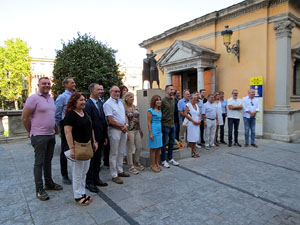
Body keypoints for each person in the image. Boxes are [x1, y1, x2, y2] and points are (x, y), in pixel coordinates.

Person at [22, 77, 63, 201]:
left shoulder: (51, 99)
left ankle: (49, 183)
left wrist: (55, 128)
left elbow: (52, 116)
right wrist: (31, 131)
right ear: (38, 84)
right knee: (39, 163)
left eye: (48, 83)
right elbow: (24, 117)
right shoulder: (33, 98)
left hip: (50, 134)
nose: (47, 85)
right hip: (39, 136)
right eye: (44, 83)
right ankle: (39, 189)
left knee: (48, 161)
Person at [64, 92, 97, 206]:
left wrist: (94, 141)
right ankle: (77, 196)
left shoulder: (85, 113)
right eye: (80, 100)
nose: (83, 102)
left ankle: (82, 192)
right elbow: (67, 132)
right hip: (77, 148)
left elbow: (91, 128)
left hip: (87, 147)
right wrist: (72, 149)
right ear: (74, 102)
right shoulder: (70, 115)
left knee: (84, 172)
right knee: (77, 174)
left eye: (84, 100)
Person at [103, 86, 130, 184]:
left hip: (123, 129)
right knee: (114, 153)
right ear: (110, 92)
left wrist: (126, 125)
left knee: (121, 151)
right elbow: (110, 120)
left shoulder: (120, 102)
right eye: (115, 91)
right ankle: (114, 175)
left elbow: (125, 116)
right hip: (114, 130)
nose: (117, 93)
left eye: (118, 91)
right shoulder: (107, 104)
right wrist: (121, 126)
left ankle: (120, 170)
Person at [85, 83, 108, 193]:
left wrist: (104, 137)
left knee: (98, 159)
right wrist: (93, 140)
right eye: (98, 89)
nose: (101, 91)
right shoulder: (87, 105)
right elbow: (89, 124)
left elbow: (103, 121)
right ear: (91, 91)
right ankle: (89, 182)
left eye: (101, 89)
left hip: (100, 136)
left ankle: (96, 179)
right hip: (92, 138)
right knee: (92, 161)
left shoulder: (100, 103)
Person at [55, 76, 76, 185]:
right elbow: (57, 114)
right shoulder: (62, 97)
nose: (74, 84)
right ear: (66, 84)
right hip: (66, 127)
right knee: (65, 150)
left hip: (76, 126)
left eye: (74, 82)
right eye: (72, 82)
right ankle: (64, 175)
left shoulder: (75, 96)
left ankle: (77, 173)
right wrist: (61, 127)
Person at [123, 92, 145, 174]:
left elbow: (137, 119)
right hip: (129, 130)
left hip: (136, 130)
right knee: (130, 148)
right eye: (131, 97)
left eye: (133, 97)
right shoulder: (124, 108)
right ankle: (130, 165)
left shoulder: (134, 106)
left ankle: (136, 162)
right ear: (126, 98)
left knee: (139, 147)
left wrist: (140, 129)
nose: (132, 99)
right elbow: (124, 120)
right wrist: (126, 132)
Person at [161, 85, 180, 168]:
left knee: (172, 142)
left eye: (173, 89)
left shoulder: (173, 100)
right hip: (165, 125)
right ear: (166, 90)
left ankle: (170, 158)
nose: (173, 91)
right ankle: (163, 160)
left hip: (172, 124)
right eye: (171, 89)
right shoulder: (162, 100)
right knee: (164, 143)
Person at [147, 95, 163, 172]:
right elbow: (149, 123)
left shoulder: (160, 110)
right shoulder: (150, 110)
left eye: (160, 100)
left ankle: (156, 163)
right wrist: (150, 133)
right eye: (157, 100)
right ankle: (152, 165)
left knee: (159, 147)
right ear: (154, 101)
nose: (159, 101)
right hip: (153, 130)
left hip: (159, 131)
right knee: (153, 148)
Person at [119, 85, 128, 164]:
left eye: (126, 90)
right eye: (123, 90)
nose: (125, 91)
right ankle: (122, 157)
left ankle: (125, 156)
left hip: (128, 122)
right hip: (120, 124)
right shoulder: (119, 101)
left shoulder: (127, 100)